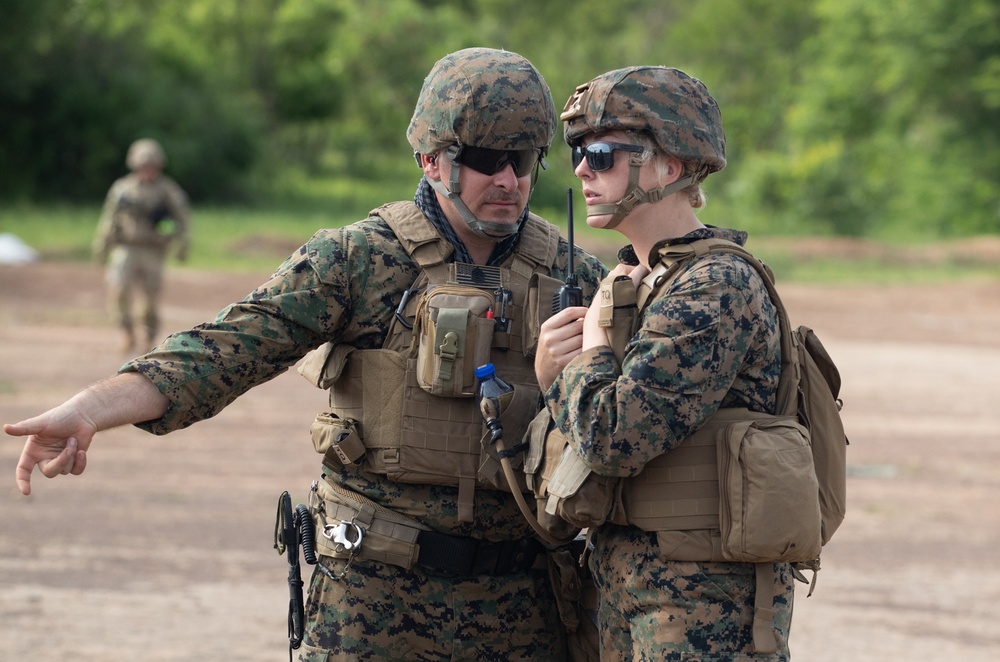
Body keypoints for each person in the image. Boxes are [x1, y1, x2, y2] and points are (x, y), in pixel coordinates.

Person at [5, 48, 607, 661]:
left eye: (523, 159)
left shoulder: (575, 274)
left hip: (526, 605)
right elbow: (222, 351)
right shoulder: (361, 260)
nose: (508, 180)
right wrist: (90, 409)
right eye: (483, 160)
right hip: (374, 602)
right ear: (431, 160)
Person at [534, 66, 796, 660]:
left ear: (669, 167)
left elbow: (614, 437)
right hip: (634, 587)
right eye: (578, 152)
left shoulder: (714, 287)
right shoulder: (646, 279)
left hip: (704, 603)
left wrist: (586, 353)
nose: (581, 170)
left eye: (601, 154)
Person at [92, 138, 191, 353]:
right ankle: (126, 332)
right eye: (143, 166)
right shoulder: (122, 188)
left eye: (152, 166)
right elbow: (110, 217)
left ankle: (148, 336)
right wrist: (101, 243)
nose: (147, 170)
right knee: (118, 291)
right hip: (126, 248)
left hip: (152, 250)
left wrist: (182, 244)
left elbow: (182, 217)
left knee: (149, 299)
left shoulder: (167, 190)